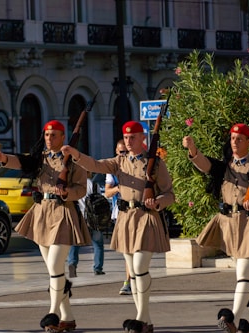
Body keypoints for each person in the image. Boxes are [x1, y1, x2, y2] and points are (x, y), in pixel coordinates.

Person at [61, 121, 175, 333]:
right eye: (126, 137)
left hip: (147, 218)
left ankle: (141, 316)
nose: (129, 141)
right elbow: (95, 164)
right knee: (133, 270)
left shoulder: (156, 164)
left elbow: (170, 194)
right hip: (125, 218)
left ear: (143, 138)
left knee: (140, 267)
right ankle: (146, 320)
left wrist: (159, 202)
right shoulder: (119, 162)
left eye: (133, 137)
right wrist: (76, 154)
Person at [0, 120, 91, 332]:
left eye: (54, 135)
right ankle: (68, 318)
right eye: (46, 135)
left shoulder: (74, 159)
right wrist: (3, 159)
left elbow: (81, 189)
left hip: (63, 212)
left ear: (63, 137)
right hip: (42, 212)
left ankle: (52, 315)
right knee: (53, 271)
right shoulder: (40, 157)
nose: (49, 138)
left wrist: (67, 193)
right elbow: (21, 162)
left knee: (55, 266)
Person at [182, 123, 249, 333]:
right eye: (233, 138)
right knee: (247, 277)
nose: (234, 142)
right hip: (229, 224)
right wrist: (192, 150)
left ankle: (232, 319)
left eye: (239, 139)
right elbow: (204, 164)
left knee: (244, 273)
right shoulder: (225, 166)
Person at [104, 139, 132, 295]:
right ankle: (130, 280)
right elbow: (107, 193)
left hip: (137, 212)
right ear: (116, 152)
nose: (124, 154)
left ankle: (132, 279)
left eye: (126, 152)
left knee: (135, 250)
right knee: (127, 250)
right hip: (119, 214)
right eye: (121, 152)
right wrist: (118, 188)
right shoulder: (112, 170)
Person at [67, 172, 105, 277]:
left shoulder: (75, 185)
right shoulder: (93, 185)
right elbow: (99, 200)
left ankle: (72, 264)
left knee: (75, 243)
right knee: (98, 245)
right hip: (93, 219)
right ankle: (98, 268)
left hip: (79, 218)